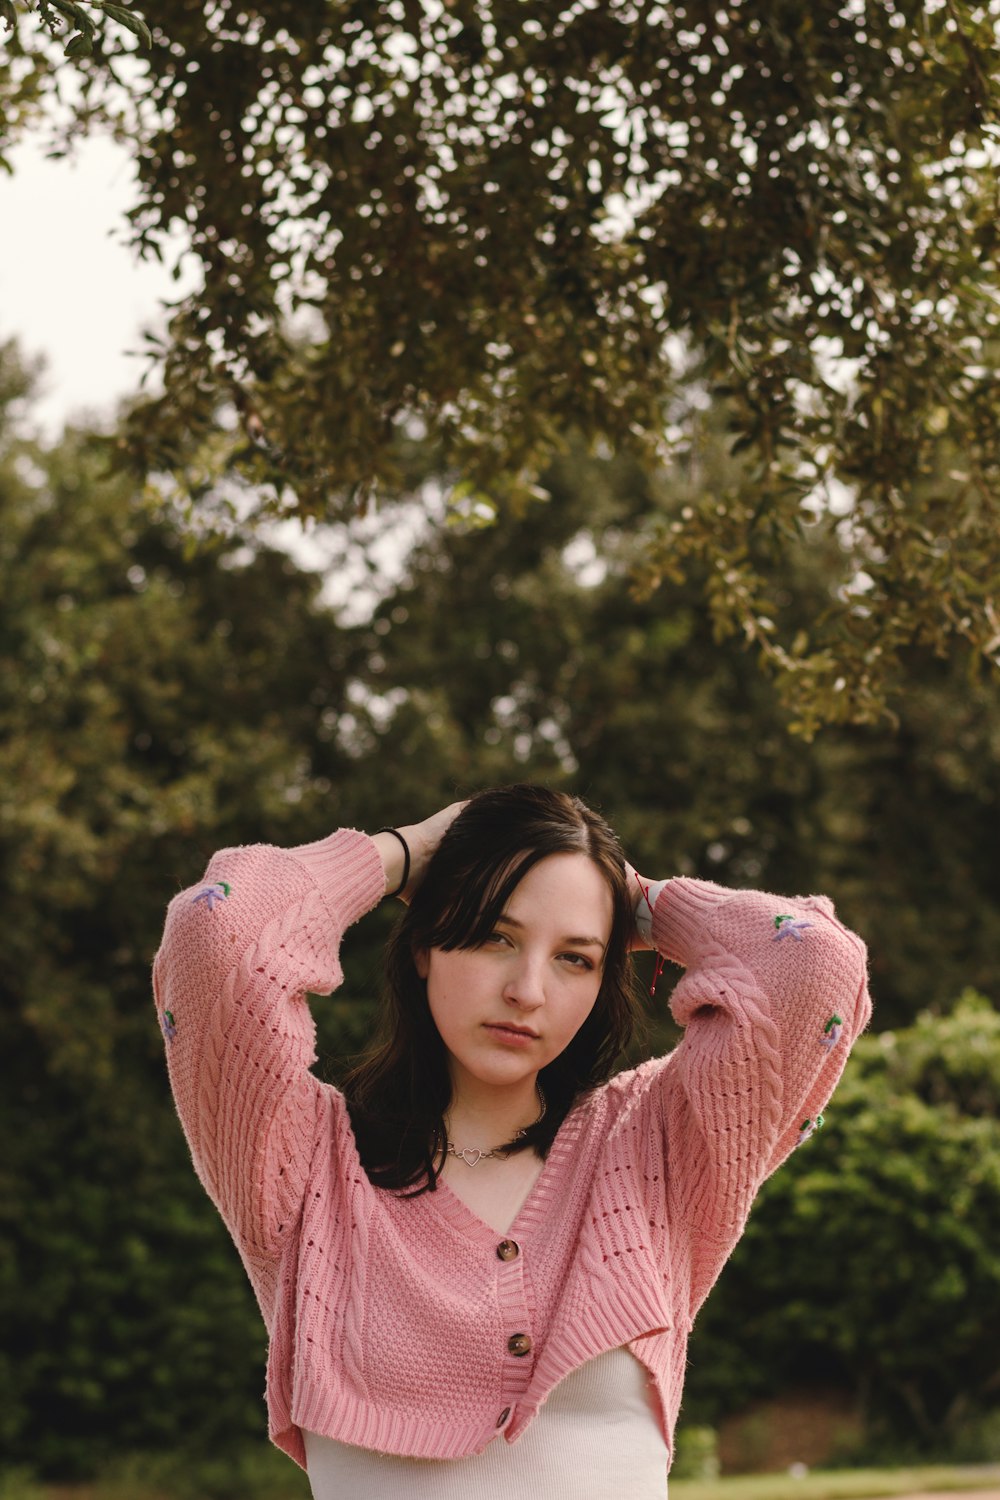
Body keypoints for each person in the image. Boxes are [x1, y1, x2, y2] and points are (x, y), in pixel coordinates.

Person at [153, 784, 871, 1498]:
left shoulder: (655, 1151)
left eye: (575, 958)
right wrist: (401, 856)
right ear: (429, 942)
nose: (528, 990)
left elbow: (813, 964)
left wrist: (633, 900)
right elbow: (218, 934)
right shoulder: (302, 1164)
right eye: (497, 935)